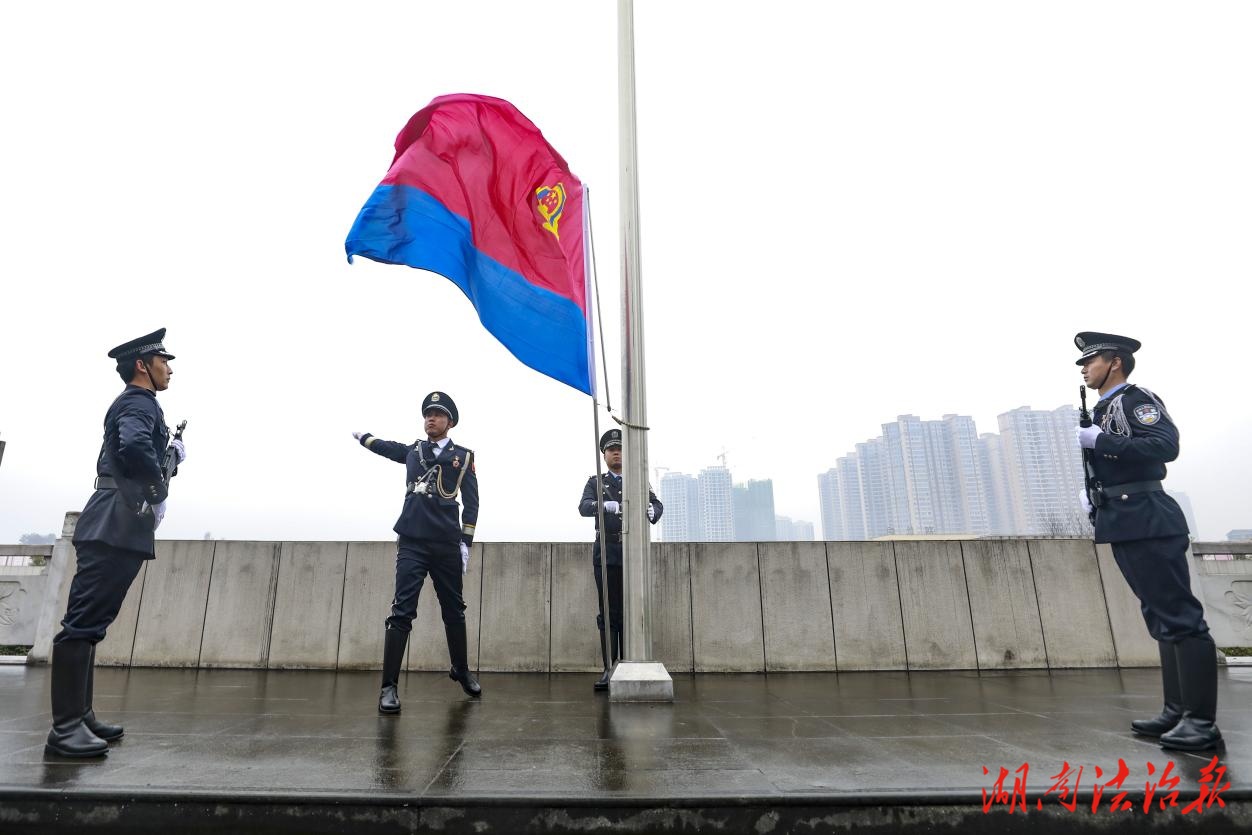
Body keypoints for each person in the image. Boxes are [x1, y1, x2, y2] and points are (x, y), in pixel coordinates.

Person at [1074, 331, 1220, 751]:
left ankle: (1201, 723)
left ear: (1114, 362)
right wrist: (1094, 493)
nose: (1085, 369)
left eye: (1091, 360)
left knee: (1180, 618)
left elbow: (1164, 445)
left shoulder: (1135, 399)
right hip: (1125, 516)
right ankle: (1178, 711)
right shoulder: (1105, 406)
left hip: (1147, 515)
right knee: (1160, 618)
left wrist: (1101, 440)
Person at [47, 329, 186, 758]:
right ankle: (65, 729)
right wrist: (158, 492)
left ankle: (81, 715)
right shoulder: (137, 402)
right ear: (143, 365)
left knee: (94, 624)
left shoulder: (143, 405)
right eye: (164, 360)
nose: (170, 368)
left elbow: (139, 452)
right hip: (115, 517)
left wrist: (172, 458)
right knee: (82, 624)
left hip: (121, 518)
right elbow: (132, 445)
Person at [354, 391, 480, 712]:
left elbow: (472, 502)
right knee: (402, 610)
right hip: (412, 539)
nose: (430, 418)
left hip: (446, 543)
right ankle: (388, 687)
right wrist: (365, 438)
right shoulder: (413, 451)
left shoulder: (463, 457)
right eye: (427, 414)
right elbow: (386, 448)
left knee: (454, 609)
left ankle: (461, 670)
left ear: (449, 422)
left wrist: (465, 543)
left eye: (437, 414)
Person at [577, 428, 662, 691]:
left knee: (628, 612)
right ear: (604, 455)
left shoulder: (637, 480)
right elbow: (583, 507)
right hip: (606, 550)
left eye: (620, 448)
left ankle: (627, 664)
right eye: (611, 449)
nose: (616, 452)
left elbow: (656, 505)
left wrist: (653, 510)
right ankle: (608, 668)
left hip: (631, 553)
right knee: (608, 611)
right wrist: (604, 505)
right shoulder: (596, 482)